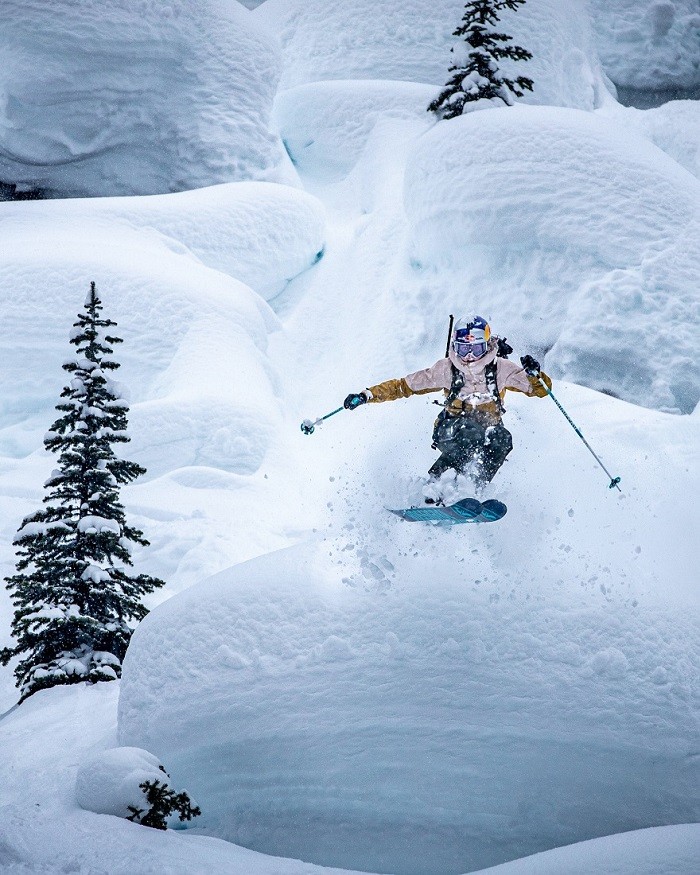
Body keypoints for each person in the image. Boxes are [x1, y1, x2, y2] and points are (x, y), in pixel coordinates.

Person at [343, 315, 551, 495]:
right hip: (451, 428)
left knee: (502, 438)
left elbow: (540, 390)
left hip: (489, 427)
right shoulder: (446, 369)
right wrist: (367, 395)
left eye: (475, 349)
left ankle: (472, 489)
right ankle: (435, 485)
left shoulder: (501, 369)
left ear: (487, 346)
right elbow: (403, 386)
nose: (469, 357)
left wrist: (534, 375)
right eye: (463, 349)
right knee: (472, 432)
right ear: (455, 346)